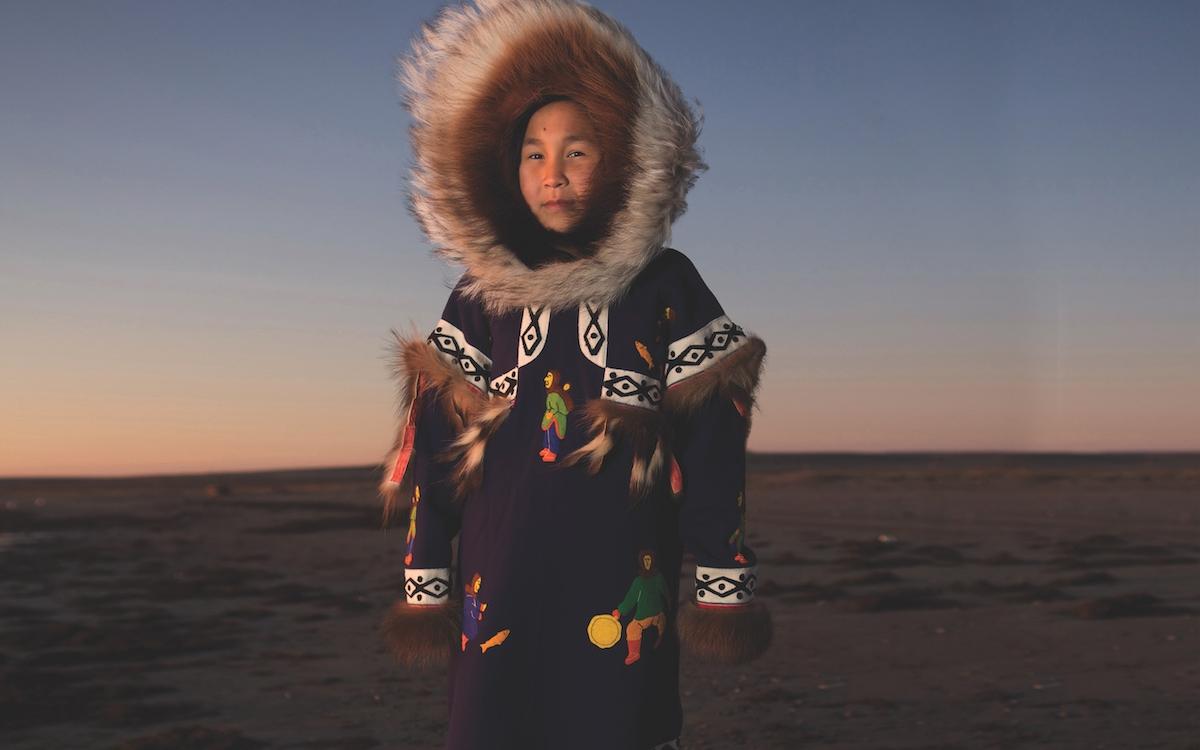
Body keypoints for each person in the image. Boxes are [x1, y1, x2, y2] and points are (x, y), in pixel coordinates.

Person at [379, 2, 770, 748]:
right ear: (503, 166)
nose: (552, 174)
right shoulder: (478, 292)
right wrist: (425, 575)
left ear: (625, 156)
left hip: (622, 566)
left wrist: (724, 576)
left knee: (617, 722)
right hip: (500, 575)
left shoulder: (666, 284)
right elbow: (436, 444)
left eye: (577, 151)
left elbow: (714, 440)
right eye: (534, 153)